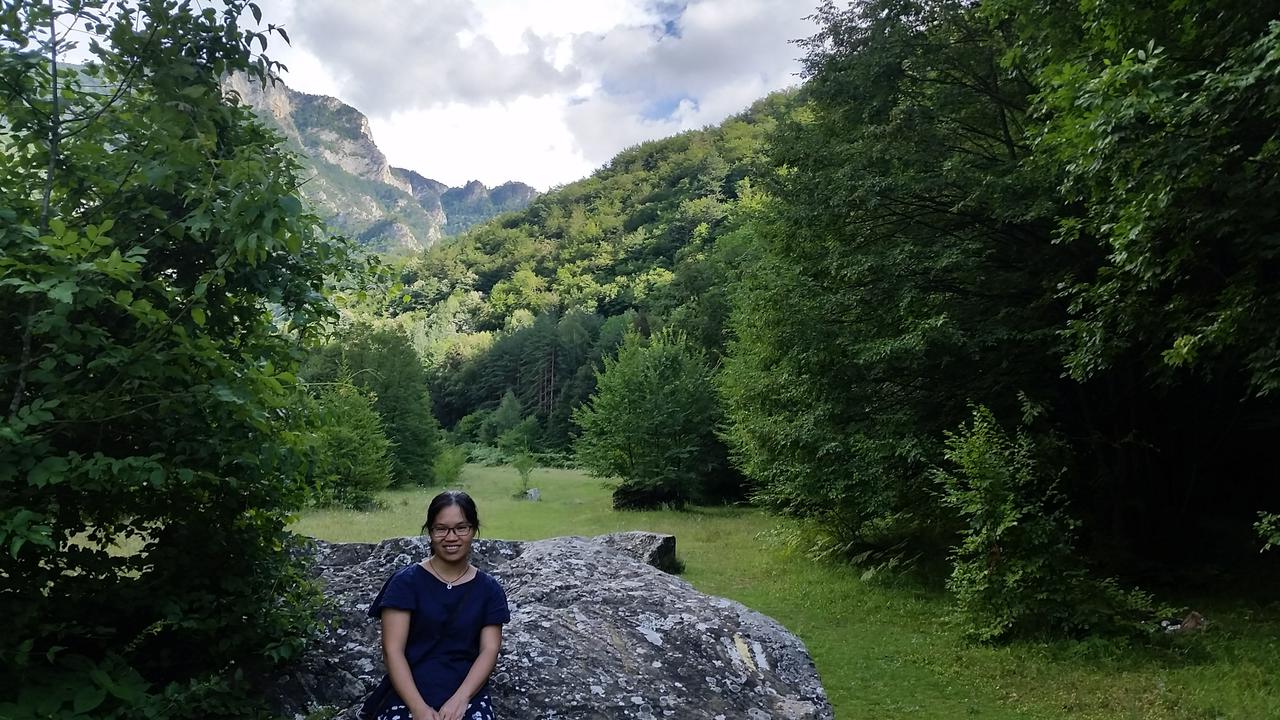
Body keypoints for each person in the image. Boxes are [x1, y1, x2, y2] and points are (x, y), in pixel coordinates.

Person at [367, 490, 510, 720]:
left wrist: (461, 699)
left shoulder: (489, 589)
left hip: (467, 695)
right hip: (409, 693)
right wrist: (418, 709)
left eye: (461, 528)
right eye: (441, 529)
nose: (451, 537)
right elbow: (392, 650)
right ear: (430, 532)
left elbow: (489, 649)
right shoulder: (405, 582)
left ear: (473, 530)